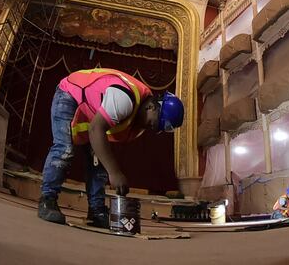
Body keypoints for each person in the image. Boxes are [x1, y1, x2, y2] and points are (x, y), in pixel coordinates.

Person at [37, 68, 184, 228]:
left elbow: (100, 137)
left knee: (98, 163)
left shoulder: (137, 124)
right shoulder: (125, 99)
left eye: (157, 128)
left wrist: (109, 168)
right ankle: (47, 200)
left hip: (91, 113)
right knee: (65, 150)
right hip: (70, 94)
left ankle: (97, 211)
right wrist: (115, 173)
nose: (153, 128)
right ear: (152, 107)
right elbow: (96, 130)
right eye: (155, 123)